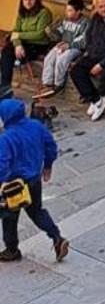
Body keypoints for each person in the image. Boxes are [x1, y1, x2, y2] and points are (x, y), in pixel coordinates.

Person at [0, 102, 66, 266]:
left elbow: (2, 165)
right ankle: (56, 237)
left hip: (13, 186)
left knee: (9, 217)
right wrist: (48, 165)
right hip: (34, 180)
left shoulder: (7, 138)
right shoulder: (37, 126)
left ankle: (12, 250)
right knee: (37, 212)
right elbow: (51, 146)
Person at [0, 0, 51, 96]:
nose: (28, 2)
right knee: (6, 51)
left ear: (36, 0)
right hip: (23, 43)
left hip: (38, 44)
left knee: (9, 55)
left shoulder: (44, 13)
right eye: (25, 0)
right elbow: (15, 31)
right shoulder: (22, 13)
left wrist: (19, 35)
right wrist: (18, 44)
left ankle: (5, 88)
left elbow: (40, 34)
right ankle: (5, 87)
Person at [38, 2, 87, 95]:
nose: (66, 12)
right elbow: (58, 35)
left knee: (62, 59)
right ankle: (47, 84)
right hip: (63, 44)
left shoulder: (85, 23)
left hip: (76, 47)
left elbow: (83, 40)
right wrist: (51, 31)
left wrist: (69, 45)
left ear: (78, 11)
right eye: (66, 10)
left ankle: (58, 85)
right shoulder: (65, 20)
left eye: (70, 10)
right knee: (49, 58)